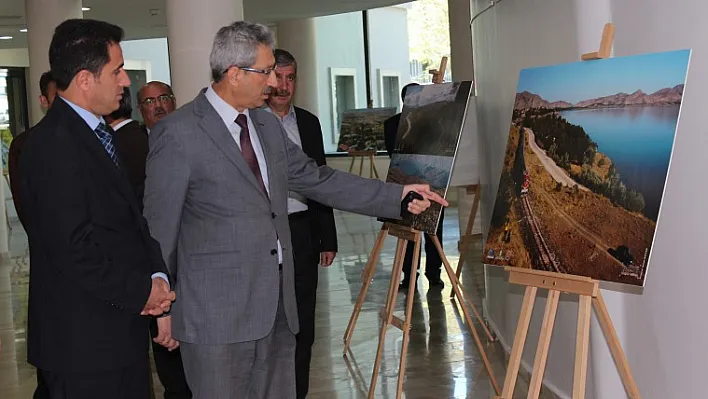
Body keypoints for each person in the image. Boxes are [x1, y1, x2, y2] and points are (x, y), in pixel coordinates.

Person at [143, 20, 447, 399]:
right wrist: (162, 308)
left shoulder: (266, 126)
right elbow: (159, 229)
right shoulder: (178, 132)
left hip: (278, 311)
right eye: (266, 71)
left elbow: (319, 179)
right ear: (234, 73)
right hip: (215, 321)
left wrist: (395, 196)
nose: (274, 83)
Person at [18, 18, 176, 399]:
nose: (125, 81)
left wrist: (158, 279)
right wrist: (143, 292)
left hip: (118, 334)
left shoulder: (98, 134)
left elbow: (132, 222)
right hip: (82, 347)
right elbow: (72, 248)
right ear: (86, 79)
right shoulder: (50, 146)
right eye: (117, 70)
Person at [106, 87, 193, 399]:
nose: (158, 106)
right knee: (166, 344)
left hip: (189, 259)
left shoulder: (185, 140)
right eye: (149, 102)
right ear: (139, 109)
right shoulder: (132, 144)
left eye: (164, 98)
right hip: (150, 263)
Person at [264, 48, 337, 399]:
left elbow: (321, 179)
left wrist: (328, 237)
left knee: (303, 321)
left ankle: (298, 392)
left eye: (290, 77)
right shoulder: (250, 122)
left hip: (302, 230)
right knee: (268, 319)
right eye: (277, 77)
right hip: (263, 233)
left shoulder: (308, 123)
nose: (283, 85)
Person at [384, 82, 445, 290]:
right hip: (406, 185)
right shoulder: (392, 124)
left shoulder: (435, 124)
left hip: (432, 183)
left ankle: (434, 274)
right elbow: (396, 156)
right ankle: (409, 274)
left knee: (434, 231)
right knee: (407, 232)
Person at [8, 71, 57, 227]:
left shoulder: (88, 137)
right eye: (58, 98)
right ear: (44, 101)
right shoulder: (22, 145)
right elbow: (22, 203)